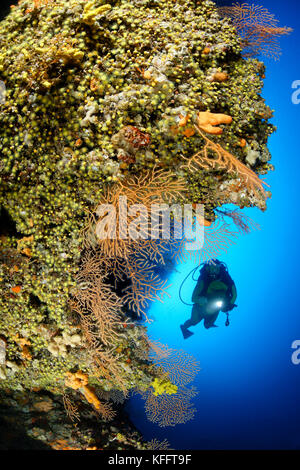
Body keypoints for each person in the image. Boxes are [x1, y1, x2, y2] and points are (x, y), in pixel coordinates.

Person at [180, 260, 237, 339]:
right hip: (200, 306)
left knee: (207, 325)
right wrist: (200, 300)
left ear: (220, 268)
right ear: (208, 268)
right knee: (194, 321)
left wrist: (229, 305)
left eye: (216, 268)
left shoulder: (226, 278)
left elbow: (234, 294)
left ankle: (209, 324)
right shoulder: (204, 279)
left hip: (215, 306)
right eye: (212, 268)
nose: (214, 272)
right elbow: (193, 298)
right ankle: (183, 328)